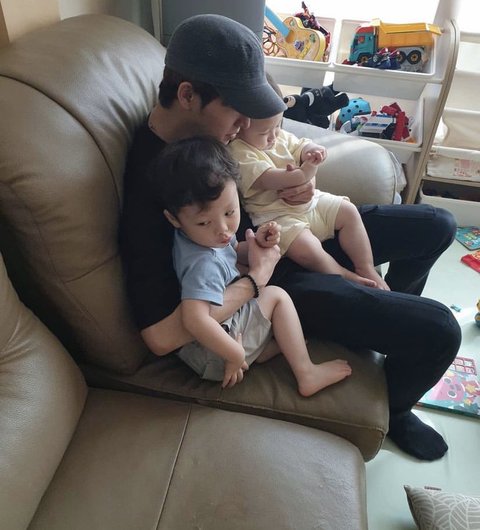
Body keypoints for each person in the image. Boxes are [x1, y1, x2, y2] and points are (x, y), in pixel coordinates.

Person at [120, 13, 462, 461]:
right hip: (278, 286)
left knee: (438, 225)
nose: (245, 124)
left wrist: (300, 181)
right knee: (440, 331)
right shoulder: (153, 185)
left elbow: (268, 151)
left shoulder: (209, 130)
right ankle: (396, 407)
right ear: (187, 95)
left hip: (283, 230)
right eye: (237, 111)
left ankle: (387, 311)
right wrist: (255, 281)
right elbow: (159, 336)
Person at [151, 135, 352, 392]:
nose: (223, 230)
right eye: (204, 222)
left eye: (230, 212)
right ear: (173, 219)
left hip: (213, 345)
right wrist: (234, 354)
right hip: (217, 352)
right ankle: (306, 373)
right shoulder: (202, 264)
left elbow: (233, 252)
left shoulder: (200, 237)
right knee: (276, 296)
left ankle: (261, 349)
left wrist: (257, 243)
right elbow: (194, 320)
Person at [230, 110, 389, 290]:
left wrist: (312, 151)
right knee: (306, 249)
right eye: (264, 133)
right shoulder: (239, 151)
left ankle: (365, 267)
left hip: (312, 203)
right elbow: (273, 179)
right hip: (277, 217)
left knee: (349, 211)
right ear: (240, 128)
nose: (273, 136)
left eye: (277, 126)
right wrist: (309, 170)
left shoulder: (279, 136)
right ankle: (343, 274)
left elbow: (301, 145)